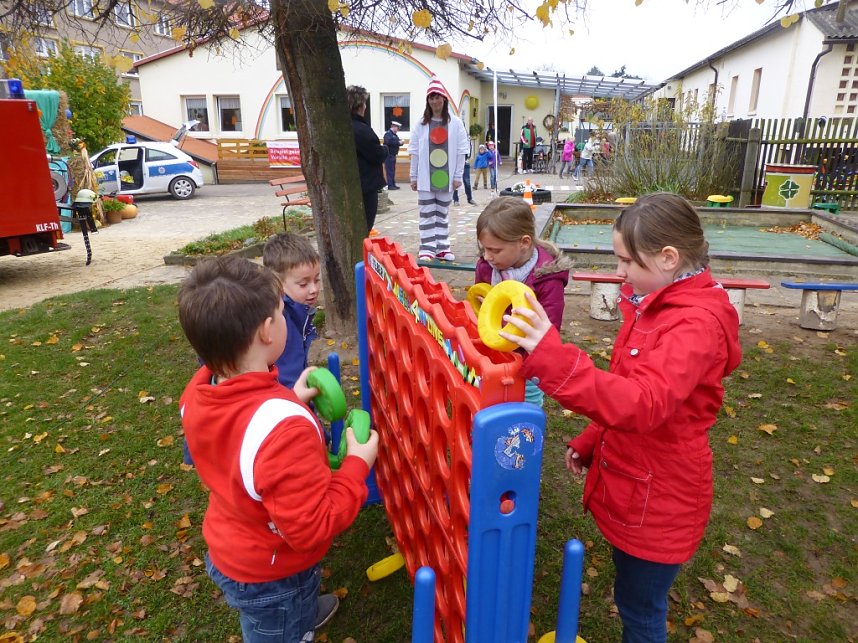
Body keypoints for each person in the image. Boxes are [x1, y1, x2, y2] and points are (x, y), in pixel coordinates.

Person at [499, 193, 742, 643]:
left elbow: (643, 402)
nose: (619, 272)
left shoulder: (693, 326)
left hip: (662, 495)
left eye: (627, 261)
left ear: (669, 258)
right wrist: (595, 435)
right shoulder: (654, 299)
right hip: (639, 478)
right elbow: (631, 381)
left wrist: (552, 357)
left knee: (640, 610)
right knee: (632, 590)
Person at [177, 256, 379, 642]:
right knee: (278, 630)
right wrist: (356, 464)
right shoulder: (285, 428)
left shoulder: (200, 392)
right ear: (268, 330)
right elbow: (311, 527)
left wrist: (289, 397)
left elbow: (241, 428)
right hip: (273, 573)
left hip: (232, 543)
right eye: (281, 313)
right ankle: (292, 623)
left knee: (273, 614)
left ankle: (294, 613)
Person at [474, 196, 572, 407]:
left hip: (527, 363)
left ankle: (527, 431)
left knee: (525, 402)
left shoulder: (547, 279)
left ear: (524, 243)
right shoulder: (487, 266)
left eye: (495, 250)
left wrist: (526, 365)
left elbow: (548, 330)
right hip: (493, 356)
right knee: (490, 401)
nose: (487, 256)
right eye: (484, 249)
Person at [408, 76, 469, 262]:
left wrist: (458, 175)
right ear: (428, 101)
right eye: (431, 97)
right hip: (426, 177)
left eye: (438, 97)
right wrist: (413, 175)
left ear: (444, 99)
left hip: (447, 177)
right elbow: (415, 151)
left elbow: (461, 151)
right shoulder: (421, 124)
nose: (435, 101)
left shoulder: (456, 123)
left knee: (441, 214)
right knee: (427, 214)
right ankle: (427, 248)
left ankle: (442, 247)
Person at [262, 233, 321, 391]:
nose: (314, 289)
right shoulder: (282, 322)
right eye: (303, 284)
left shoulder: (298, 311)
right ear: (278, 284)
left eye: (317, 280)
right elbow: (287, 374)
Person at [347, 85, 388, 234]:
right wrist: (385, 149)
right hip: (365, 186)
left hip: (351, 185)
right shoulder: (360, 129)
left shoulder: (343, 126)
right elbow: (376, 155)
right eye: (364, 103)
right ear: (359, 105)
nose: (365, 106)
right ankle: (359, 257)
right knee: (364, 228)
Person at [383, 120, 402, 190]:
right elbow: (389, 142)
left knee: (392, 170)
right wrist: (398, 142)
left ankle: (393, 184)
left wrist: (400, 142)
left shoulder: (394, 135)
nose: (398, 130)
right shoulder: (388, 134)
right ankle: (390, 185)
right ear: (393, 127)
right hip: (389, 155)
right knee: (389, 170)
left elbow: (397, 141)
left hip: (393, 155)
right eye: (397, 128)